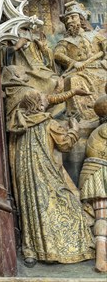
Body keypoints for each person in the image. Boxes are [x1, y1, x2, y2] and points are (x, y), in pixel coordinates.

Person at [8, 88, 94, 267]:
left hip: (25, 176)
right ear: (39, 105)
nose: (46, 100)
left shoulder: (17, 124)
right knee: (69, 204)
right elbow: (65, 145)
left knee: (31, 207)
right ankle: (68, 248)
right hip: (46, 173)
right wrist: (74, 130)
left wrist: (72, 93)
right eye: (42, 99)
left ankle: (31, 250)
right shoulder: (48, 123)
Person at [54, 0, 106, 120]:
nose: (70, 21)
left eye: (73, 17)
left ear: (81, 18)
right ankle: (83, 116)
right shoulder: (65, 41)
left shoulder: (95, 35)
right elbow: (57, 54)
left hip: (99, 67)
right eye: (67, 19)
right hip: (79, 70)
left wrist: (105, 62)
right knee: (72, 80)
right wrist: (73, 62)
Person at [79, 95, 107, 272]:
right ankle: (101, 258)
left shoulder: (100, 128)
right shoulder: (104, 129)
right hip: (99, 174)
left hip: (97, 173)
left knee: (103, 217)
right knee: (102, 217)